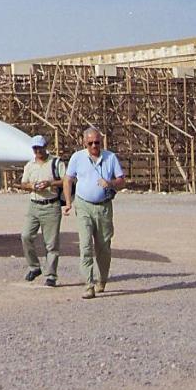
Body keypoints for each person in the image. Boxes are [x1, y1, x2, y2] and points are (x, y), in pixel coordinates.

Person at [62, 125, 126, 299]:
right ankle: (88, 285)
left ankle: (101, 279)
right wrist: (68, 201)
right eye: (90, 143)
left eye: (97, 143)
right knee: (85, 245)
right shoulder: (77, 158)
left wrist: (111, 182)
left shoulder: (110, 157)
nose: (93, 146)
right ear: (84, 143)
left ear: (101, 142)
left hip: (104, 207)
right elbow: (68, 179)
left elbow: (122, 180)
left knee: (103, 247)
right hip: (83, 205)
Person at [19, 135, 62, 287]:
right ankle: (34, 266)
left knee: (51, 243)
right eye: (35, 148)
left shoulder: (56, 162)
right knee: (26, 236)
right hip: (34, 204)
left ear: (45, 147)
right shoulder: (30, 165)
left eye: (40, 147)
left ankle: (51, 275)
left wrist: (50, 183)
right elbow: (23, 183)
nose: (38, 151)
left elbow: (67, 180)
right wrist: (32, 186)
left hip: (51, 205)